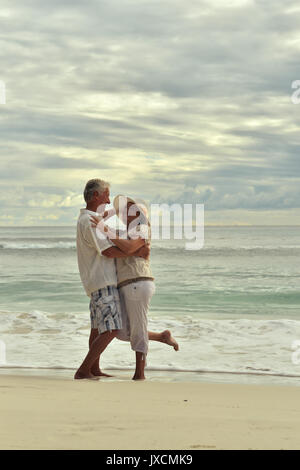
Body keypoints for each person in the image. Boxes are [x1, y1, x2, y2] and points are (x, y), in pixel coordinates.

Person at [90, 194, 179, 380]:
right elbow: (114, 250)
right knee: (120, 331)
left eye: (132, 209)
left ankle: (140, 373)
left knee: (137, 329)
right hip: (127, 284)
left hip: (138, 281)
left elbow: (128, 248)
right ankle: (161, 336)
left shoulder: (142, 228)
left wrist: (109, 233)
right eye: (124, 210)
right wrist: (112, 214)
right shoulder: (122, 232)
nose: (127, 213)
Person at [74, 180, 149, 380]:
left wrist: (111, 216)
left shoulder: (88, 219)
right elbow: (107, 251)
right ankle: (83, 370)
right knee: (111, 329)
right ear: (96, 195)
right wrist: (137, 253)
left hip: (95, 281)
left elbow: (109, 236)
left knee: (97, 327)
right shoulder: (90, 221)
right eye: (106, 195)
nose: (108, 200)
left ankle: (93, 369)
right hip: (104, 281)